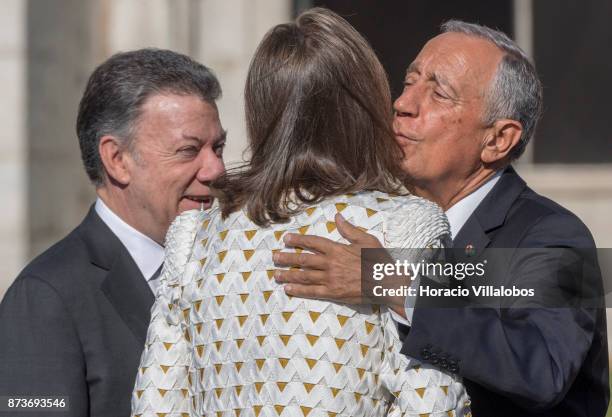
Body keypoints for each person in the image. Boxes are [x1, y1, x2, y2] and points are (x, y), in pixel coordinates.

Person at [131, 8, 470, 417]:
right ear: (364, 106)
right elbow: (432, 404)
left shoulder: (194, 236)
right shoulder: (408, 225)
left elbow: (158, 404)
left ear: (261, 109)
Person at [273, 20, 609, 417]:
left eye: (438, 92)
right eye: (410, 81)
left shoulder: (551, 236)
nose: (404, 104)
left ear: (498, 140)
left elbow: (541, 368)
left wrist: (391, 284)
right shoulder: (370, 215)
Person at [0, 49, 226, 417]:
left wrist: (359, 274)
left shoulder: (233, 263)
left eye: (218, 147)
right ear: (117, 159)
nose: (215, 169)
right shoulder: (46, 297)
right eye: (189, 151)